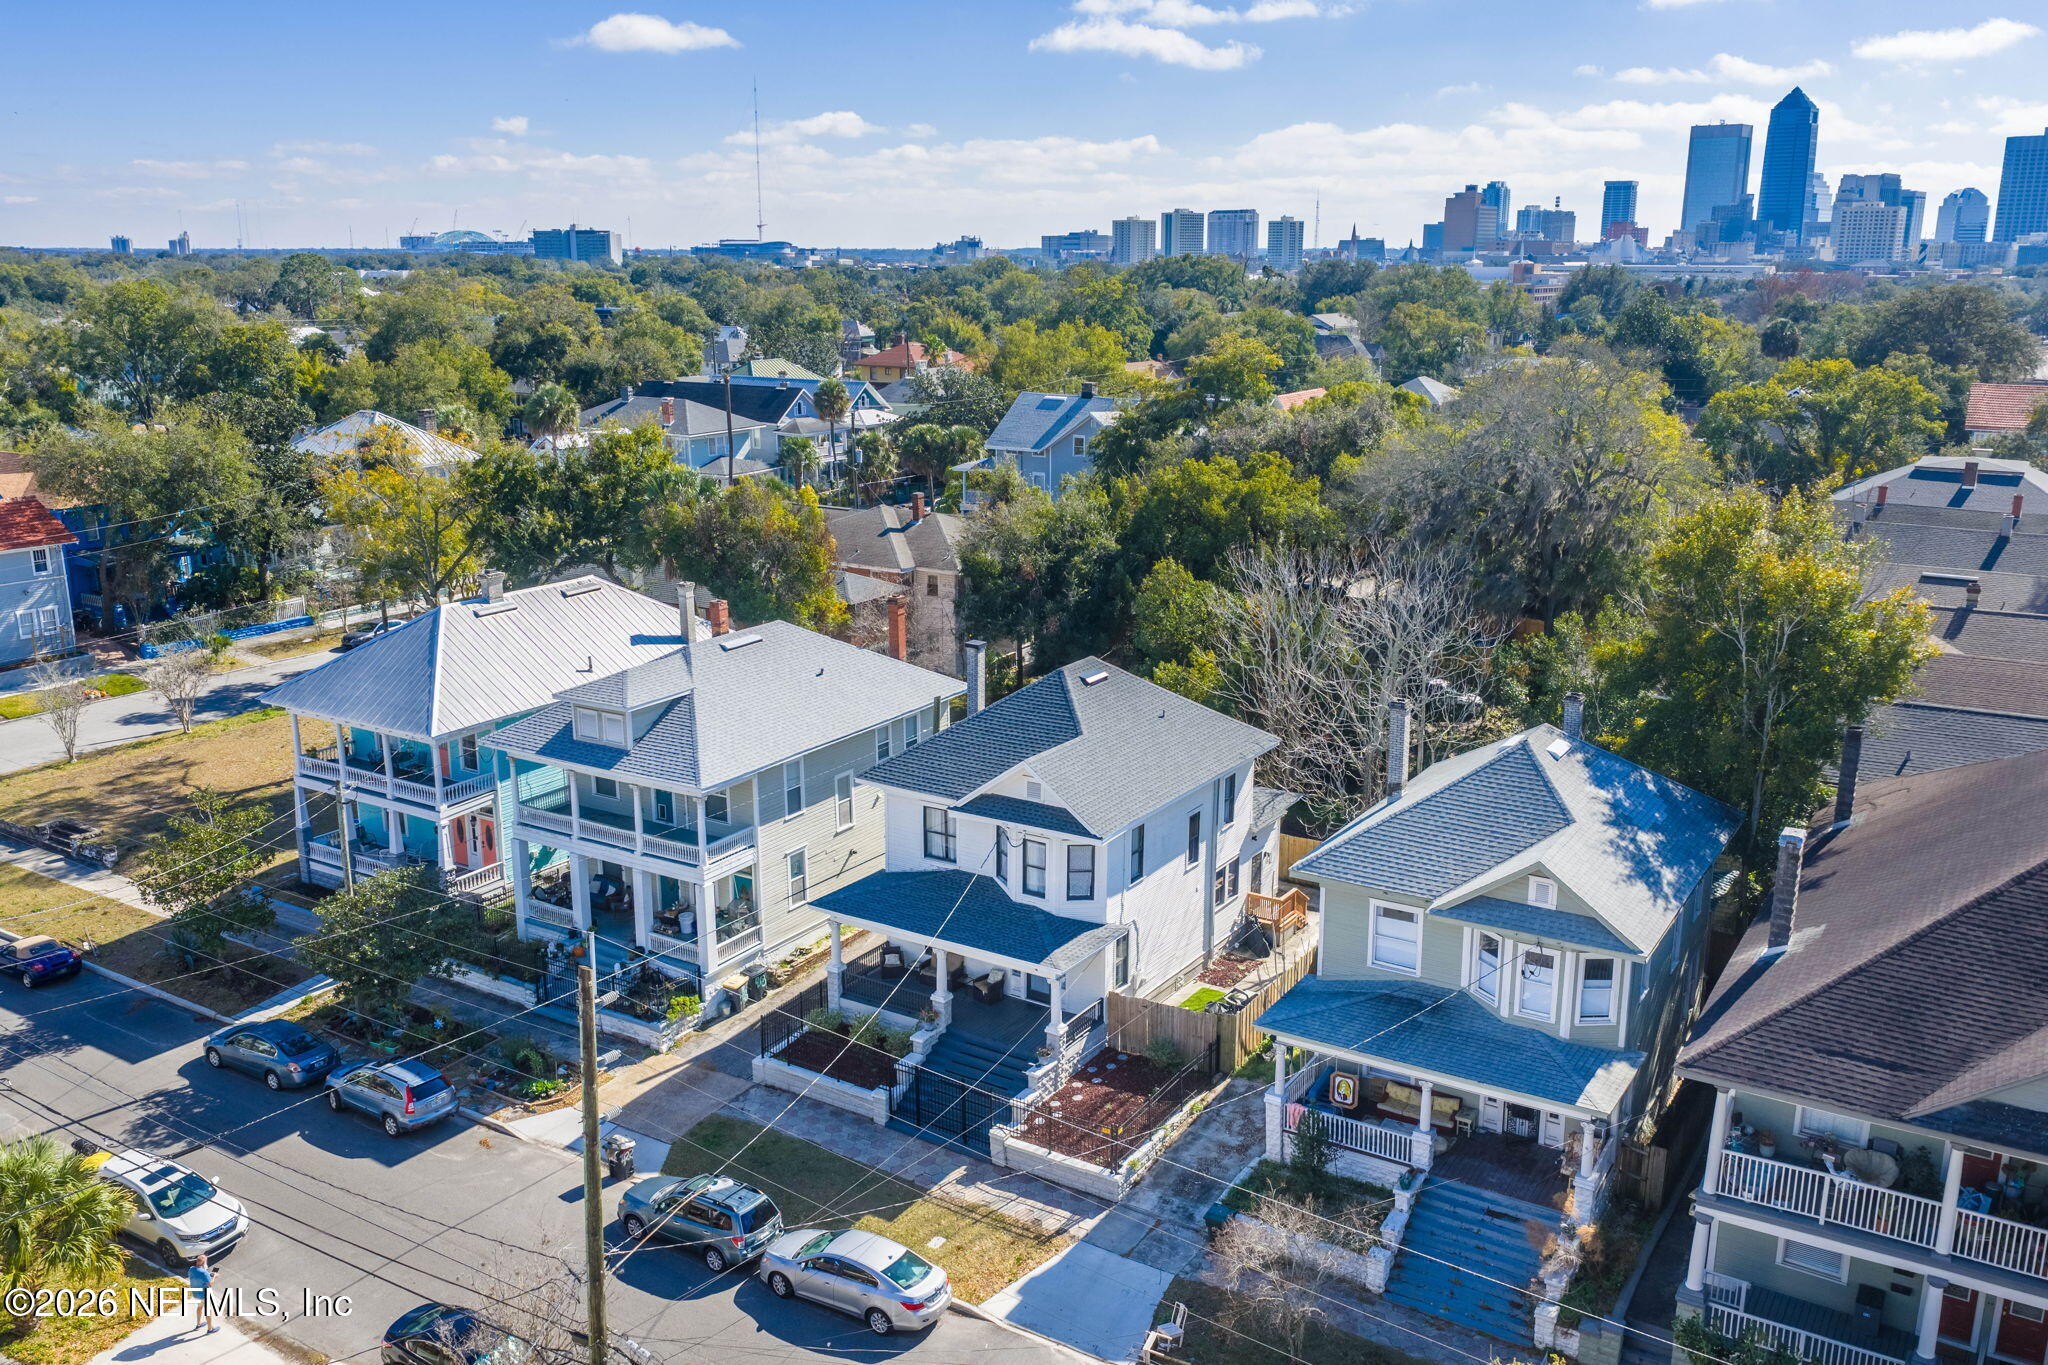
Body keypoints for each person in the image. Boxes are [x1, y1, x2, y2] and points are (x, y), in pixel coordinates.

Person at [188, 1253, 218, 1334]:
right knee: (208, 1311)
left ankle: (198, 1324)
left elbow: (196, 1277)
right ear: (203, 1262)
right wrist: (214, 1276)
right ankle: (210, 1329)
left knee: (199, 1307)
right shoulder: (204, 1273)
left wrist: (206, 1273)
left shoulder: (191, 1269)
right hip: (204, 1294)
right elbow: (210, 1284)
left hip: (196, 1294)